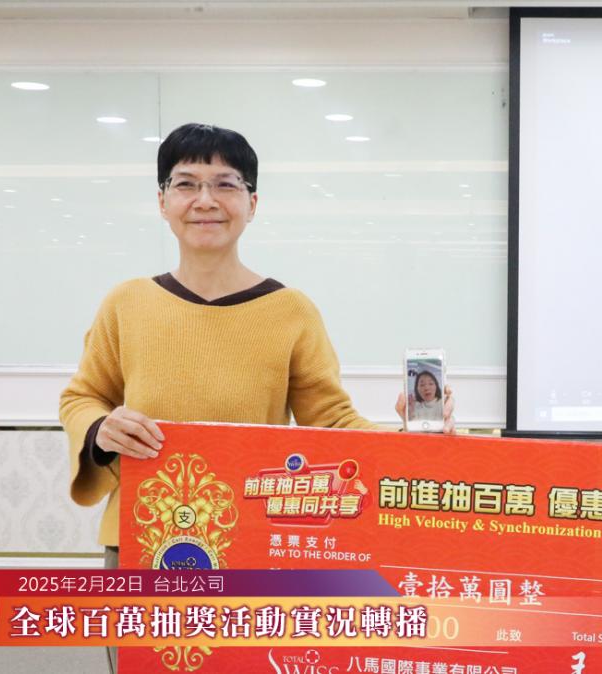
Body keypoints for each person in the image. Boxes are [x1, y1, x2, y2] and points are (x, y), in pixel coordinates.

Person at [60, 124, 454, 589]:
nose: (205, 201)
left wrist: (411, 441)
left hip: (251, 542)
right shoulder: (126, 303)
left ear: (252, 204)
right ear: (162, 202)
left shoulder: (291, 310)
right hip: (140, 536)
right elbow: (82, 397)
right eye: (186, 184)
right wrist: (101, 429)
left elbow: (331, 422)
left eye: (225, 184)